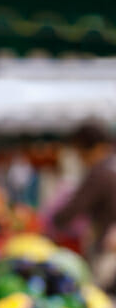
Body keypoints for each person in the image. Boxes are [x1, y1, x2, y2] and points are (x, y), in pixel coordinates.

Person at [51, 123, 116, 288]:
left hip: (109, 249)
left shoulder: (100, 172)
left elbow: (74, 208)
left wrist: (52, 221)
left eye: (80, 153)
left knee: (101, 298)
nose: (80, 159)